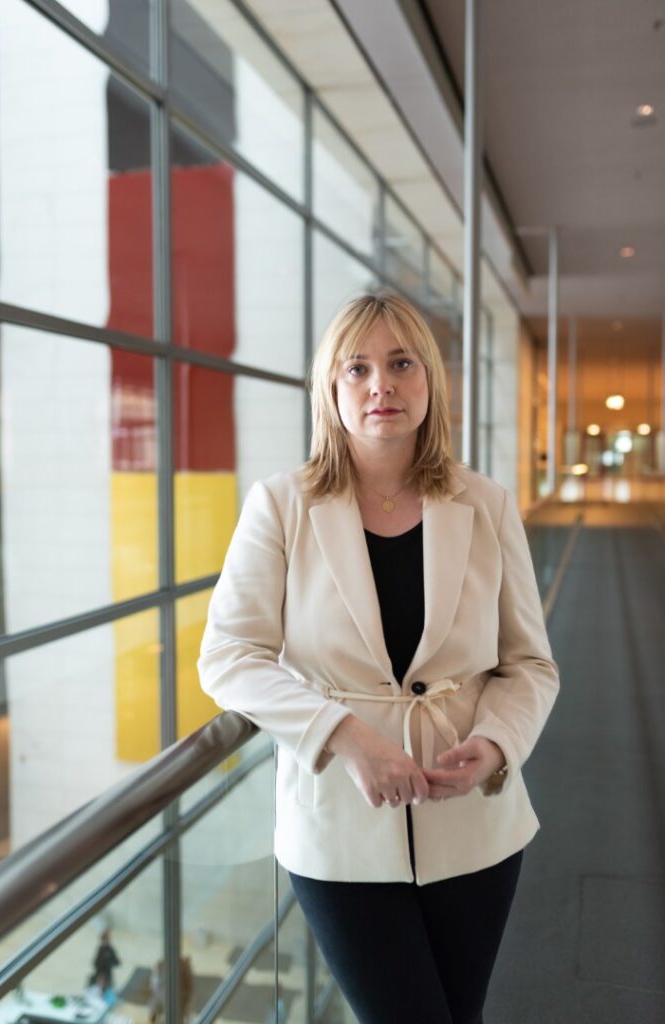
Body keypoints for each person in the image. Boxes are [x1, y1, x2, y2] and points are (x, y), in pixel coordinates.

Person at [197, 292, 559, 1024]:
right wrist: (345, 738)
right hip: (340, 829)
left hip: (475, 830)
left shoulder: (484, 504)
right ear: (330, 390)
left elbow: (529, 664)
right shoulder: (282, 505)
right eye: (356, 368)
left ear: (429, 380)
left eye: (401, 364)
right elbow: (227, 655)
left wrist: (495, 746)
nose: (380, 385)